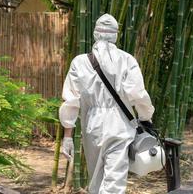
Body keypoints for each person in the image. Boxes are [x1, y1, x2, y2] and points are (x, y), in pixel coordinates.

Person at [59, 14, 155, 194]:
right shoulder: (127, 60)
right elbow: (139, 95)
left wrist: (68, 136)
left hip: (92, 127)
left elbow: (71, 101)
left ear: (95, 34)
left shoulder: (79, 62)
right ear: (116, 35)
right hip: (120, 126)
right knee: (113, 183)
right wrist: (146, 117)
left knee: (96, 180)